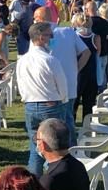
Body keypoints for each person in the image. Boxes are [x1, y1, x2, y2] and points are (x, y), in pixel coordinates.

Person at [17, 22, 69, 175]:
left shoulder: (22, 60)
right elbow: (62, 84)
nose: (51, 38)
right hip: (50, 104)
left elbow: (20, 83)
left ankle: (35, 179)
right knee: (55, 146)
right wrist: (63, 100)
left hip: (30, 104)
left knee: (36, 145)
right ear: (41, 38)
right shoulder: (50, 60)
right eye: (48, 35)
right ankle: (55, 177)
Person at [33, 6, 89, 145]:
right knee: (68, 120)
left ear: (40, 19)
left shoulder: (38, 36)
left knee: (52, 126)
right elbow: (86, 52)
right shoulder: (68, 32)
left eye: (35, 19)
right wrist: (76, 69)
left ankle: (57, 149)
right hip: (69, 83)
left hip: (50, 88)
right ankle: (72, 148)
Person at [71, 13, 100, 120]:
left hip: (78, 73)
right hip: (92, 73)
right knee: (89, 104)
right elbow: (98, 53)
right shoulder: (96, 37)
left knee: (73, 103)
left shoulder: (74, 36)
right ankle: (87, 126)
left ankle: (71, 125)